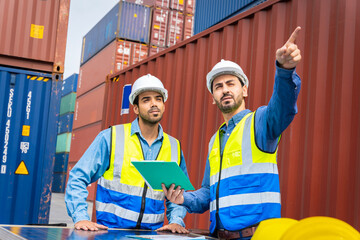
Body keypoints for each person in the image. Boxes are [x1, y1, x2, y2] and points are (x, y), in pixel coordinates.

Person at [162, 26, 302, 239]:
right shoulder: (215, 141)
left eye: (230, 84)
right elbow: (209, 192)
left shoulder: (260, 122)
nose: (225, 89)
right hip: (219, 235)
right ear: (213, 97)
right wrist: (183, 199)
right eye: (218, 87)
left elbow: (283, 107)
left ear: (244, 90)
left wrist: (284, 71)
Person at [65, 74, 190, 233]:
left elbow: (178, 193)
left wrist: (176, 221)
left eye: (158, 99)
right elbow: (78, 177)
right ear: (136, 108)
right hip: (110, 234)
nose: (154, 104)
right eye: (146, 100)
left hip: (151, 235)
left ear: (163, 105)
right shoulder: (111, 137)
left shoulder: (174, 146)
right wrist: (80, 217)